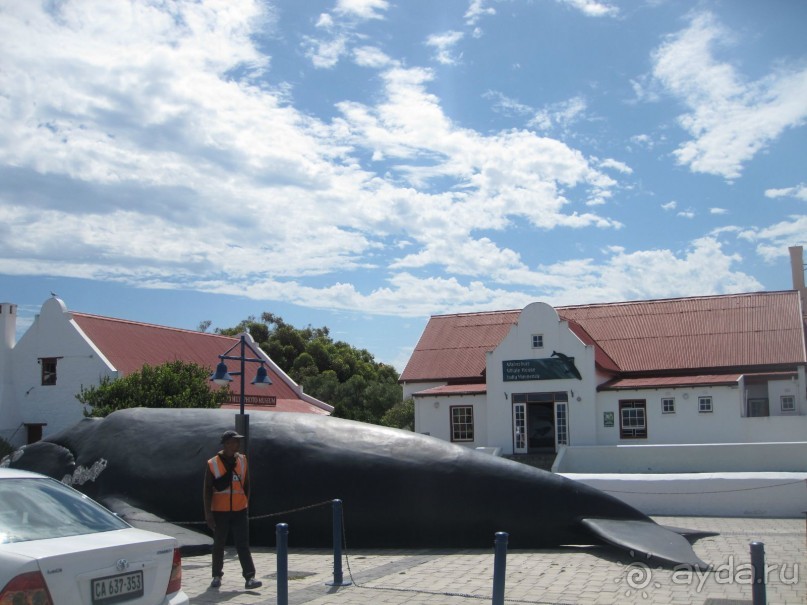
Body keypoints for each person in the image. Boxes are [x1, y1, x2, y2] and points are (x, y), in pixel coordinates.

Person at [203, 429, 262, 590]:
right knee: (219, 544)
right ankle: (216, 575)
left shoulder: (242, 460)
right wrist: (208, 513)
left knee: (243, 544)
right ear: (227, 444)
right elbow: (207, 490)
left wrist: (245, 503)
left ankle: (250, 577)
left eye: (238, 441)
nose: (238, 444)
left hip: (239, 510)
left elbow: (247, 484)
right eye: (235, 441)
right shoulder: (213, 463)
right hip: (220, 511)